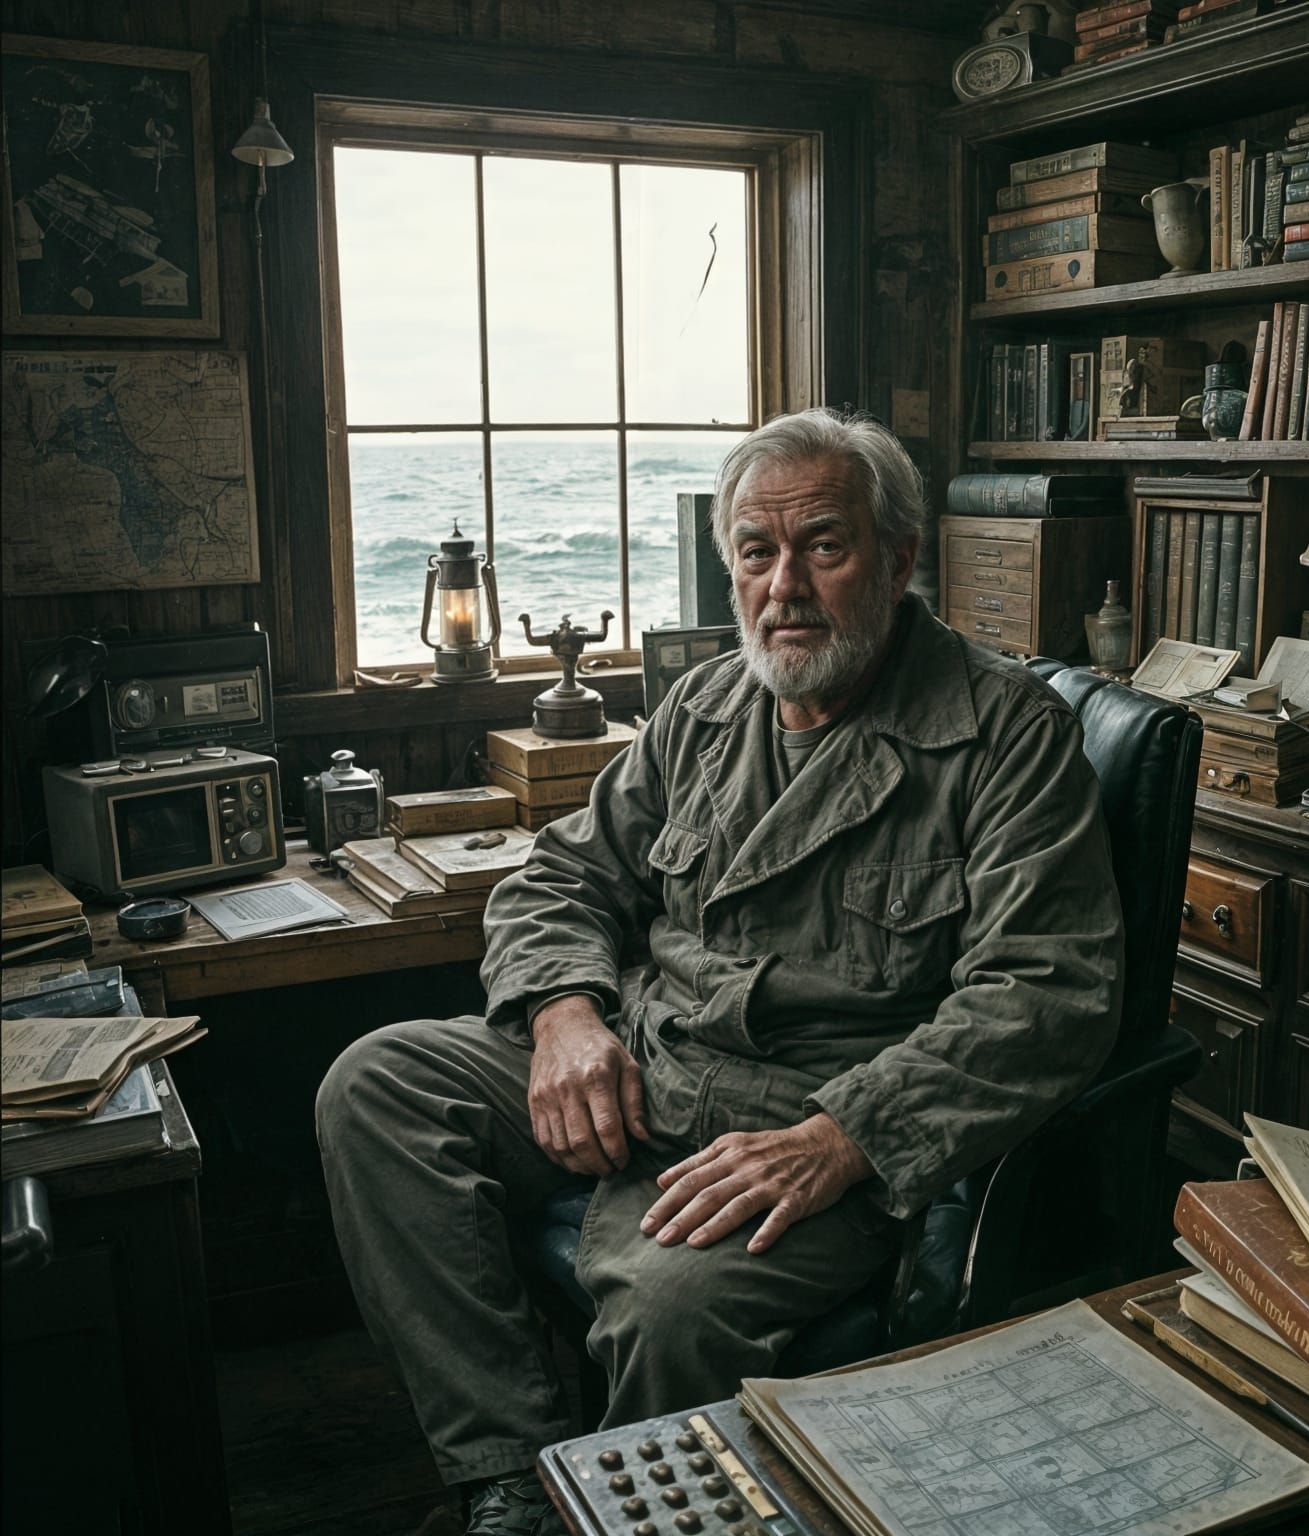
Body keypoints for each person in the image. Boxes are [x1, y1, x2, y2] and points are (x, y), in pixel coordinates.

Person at [316, 407, 1125, 1536]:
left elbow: (1046, 994)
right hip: (648, 1063)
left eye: (823, 547)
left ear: (896, 562)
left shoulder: (1006, 735)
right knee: (377, 1083)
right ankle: (517, 1479)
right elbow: (565, 876)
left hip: (811, 1122)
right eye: (756, 552)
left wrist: (843, 1140)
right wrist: (562, 1016)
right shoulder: (702, 708)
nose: (783, 585)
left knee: (668, 1305)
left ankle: (645, 1512)